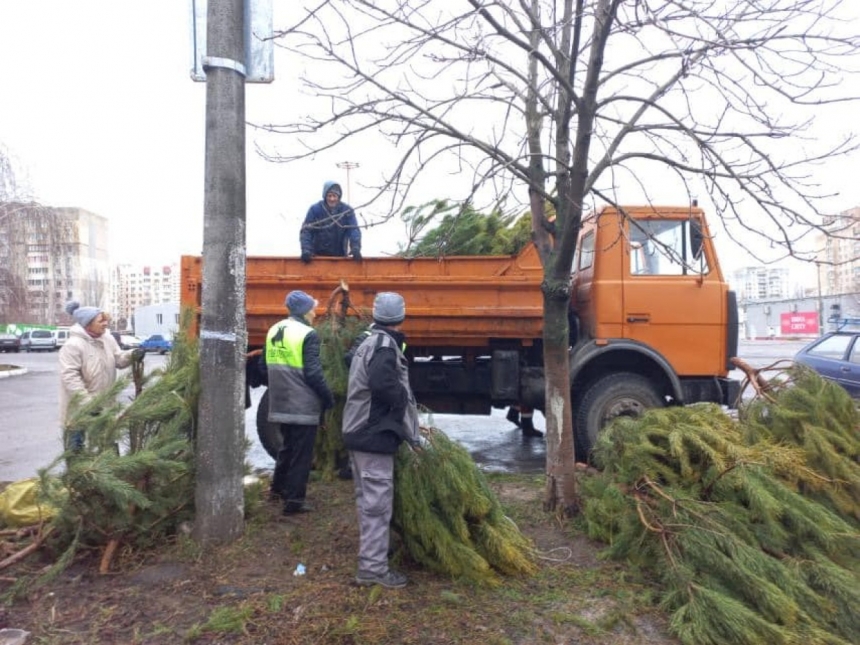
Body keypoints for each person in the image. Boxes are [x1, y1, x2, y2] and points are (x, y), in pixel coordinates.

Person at [342, 292, 420, 589]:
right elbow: (383, 384)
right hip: (372, 435)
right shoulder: (385, 346)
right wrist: (401, 404)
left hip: (359, 432)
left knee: (367, 501)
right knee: (377, 505)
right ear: (402, 315)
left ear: (375, 315)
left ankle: (374, 552)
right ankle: (373, 570)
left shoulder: (367, 341)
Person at [264, 290, 335, 515]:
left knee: (287, 447)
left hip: (280, 400)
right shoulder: (308, 334)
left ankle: (277, 490)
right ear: (304, 311)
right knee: (302, 454)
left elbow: (263, 366)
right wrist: (327, 397)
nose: (315, 312)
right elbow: (313, 374)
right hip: (302, 403)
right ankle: (294, 501)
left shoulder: (274, 329)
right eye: (312, 308)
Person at [59, 300, 144, 449]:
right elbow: (70, 378)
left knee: (106, 449)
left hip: (105, 407)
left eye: (106, 320)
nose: (106, 324)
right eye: (101, 321)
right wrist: (89, 404)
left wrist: (132, 355)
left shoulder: (107, 339)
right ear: (88, 323)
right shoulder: (73, 345)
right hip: (79, 411)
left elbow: (119, 359)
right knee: (76, 452)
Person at [300, 181, 362, 262]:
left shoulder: (346, 211)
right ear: (325, 196)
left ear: (339, 197)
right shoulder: (315, 210)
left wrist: (355, 247)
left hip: (340, 257)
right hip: (318, 257)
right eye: (329, 196)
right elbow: (306, 231)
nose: (332, 199)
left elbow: (354, 229)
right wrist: (306, 249)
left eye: (334, 196)